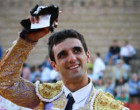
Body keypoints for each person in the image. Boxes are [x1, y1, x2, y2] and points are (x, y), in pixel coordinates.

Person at [0, 5, 129, 110]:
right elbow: (5, 85)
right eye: (62, 55)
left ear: (87, 56)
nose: (72, 58)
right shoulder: (44, 96)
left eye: (77, 50)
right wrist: (27, 40)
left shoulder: (112, 108)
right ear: (54, 65)